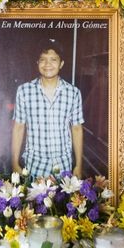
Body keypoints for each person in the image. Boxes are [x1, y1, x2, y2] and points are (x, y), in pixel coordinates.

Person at [11, 40, 84, 178]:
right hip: (34, 165)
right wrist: (14, 163)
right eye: (43, 60)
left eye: (53, 60)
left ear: (61, 63)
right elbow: (19, 127)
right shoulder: (24, 91)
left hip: (64, 165)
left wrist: (79, 165)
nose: (47, 64)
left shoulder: (73, 93)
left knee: (64, 199)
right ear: (37, 63)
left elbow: (76, 128)